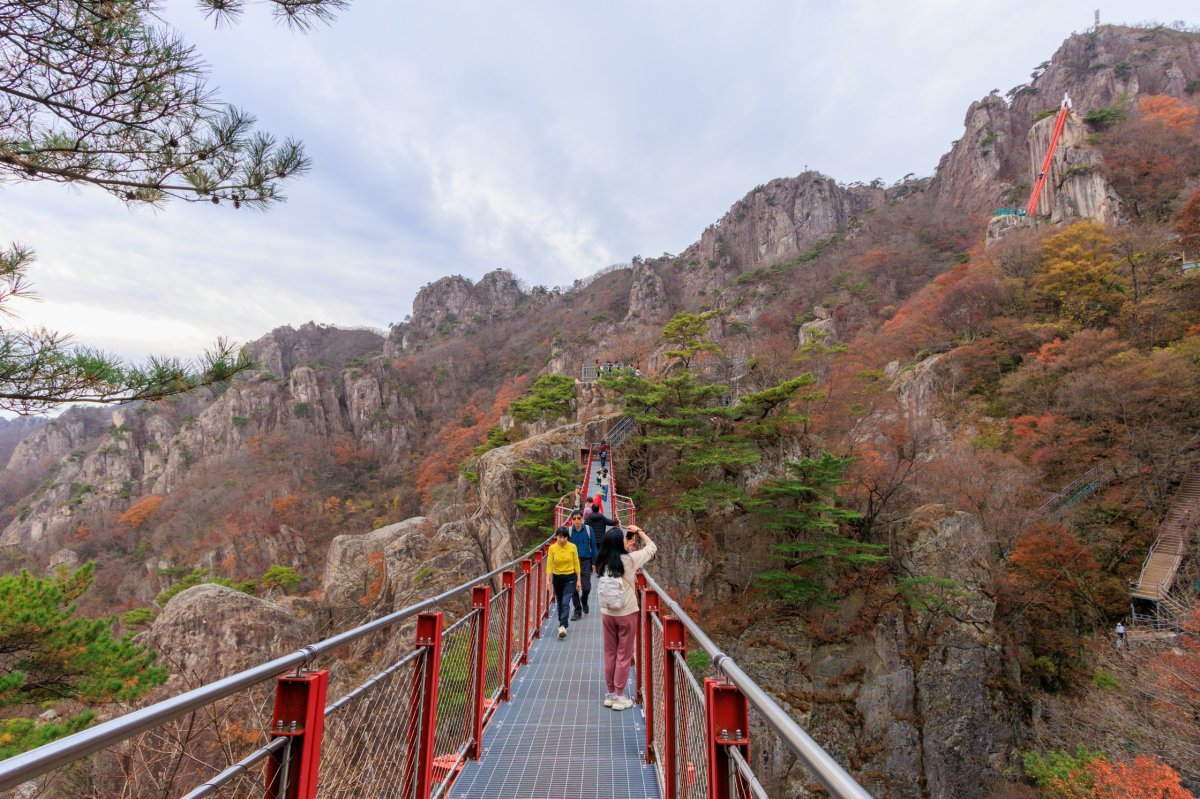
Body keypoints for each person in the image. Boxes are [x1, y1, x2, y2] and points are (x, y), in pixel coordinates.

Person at [595, 525, 656, 710]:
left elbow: (617, 556)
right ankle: (620, 697)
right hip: (626, 612)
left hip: (607, 613)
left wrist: (626, 546)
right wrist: (640, 532)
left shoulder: (601, 562)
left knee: (610, 654)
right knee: (624, 655)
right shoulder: (629, 560)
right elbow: (652, 548)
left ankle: (611, 694)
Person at [546, 526, 581, 639]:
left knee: (566, 602)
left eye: (564, 537)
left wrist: (579, 580)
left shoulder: (572, 547)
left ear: (567, 537)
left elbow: (576, 563)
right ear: (556, 537)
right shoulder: (552, 548)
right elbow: (549, 564)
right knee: (560, 602)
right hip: (557, 578)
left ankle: (562, 626)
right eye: (560, 537)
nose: (562, 540)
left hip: (570, 578)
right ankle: (562, 623)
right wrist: (547, 579)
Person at [561, 509, 596, 619]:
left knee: (586, 587)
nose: (576, 521)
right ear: (572, 520)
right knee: (573, 587)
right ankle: (577, 611)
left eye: (579, 518)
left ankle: (584, 600)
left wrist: (594, 563)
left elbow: (594, 546)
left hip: (586, 561)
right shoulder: (569, 531)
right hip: (572, 562)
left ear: (583, 519)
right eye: (574, 519)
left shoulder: (588, 529)